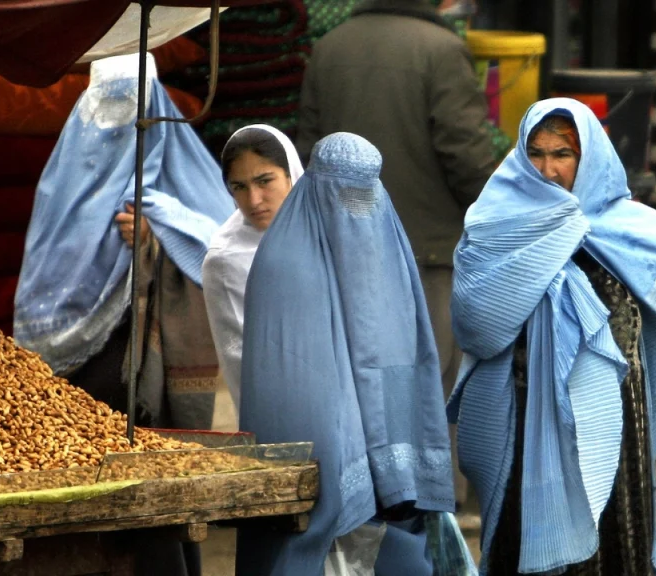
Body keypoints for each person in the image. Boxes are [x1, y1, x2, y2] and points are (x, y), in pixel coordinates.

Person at [449, 98, 656, 575]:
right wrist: (555, 242)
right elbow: (477, 321)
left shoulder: (627, 226)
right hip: (527, 414)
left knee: (615, 537)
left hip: (614, 418)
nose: (549, 169)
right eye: (536, 152)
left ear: (589, 157)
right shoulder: (496, 222)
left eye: (563, 154)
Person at [295, 0, 495, 508]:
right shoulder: (443, 50)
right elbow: (465, 153)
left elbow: (309, 150)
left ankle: (363, 504)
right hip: (427, 251)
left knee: (357, 386)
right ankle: (432, 510)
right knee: (430, 388)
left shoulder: (330, 47)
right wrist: (496, 215)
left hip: (342, 252)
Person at [238, 133, 456, 576]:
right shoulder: (285, 261)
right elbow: (302, 384)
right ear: (316, 186)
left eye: (364, 192)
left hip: (385, 474)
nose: (355, 207)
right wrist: (350, 460)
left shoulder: (386, 244)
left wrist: (394, 460)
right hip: (326, 454)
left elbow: (400, 359)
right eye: (344, 193)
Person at [14, 52, 234, 432]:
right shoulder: (62, 186)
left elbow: (229, 254)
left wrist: (161, 238)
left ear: (155, 108)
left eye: (130, 103)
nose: (118, 120)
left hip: (147, 364)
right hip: (73, 380)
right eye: (108, 104)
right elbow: (43, 268)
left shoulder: (189, 173)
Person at [201, 125, 304, 426]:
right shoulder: (225, 259)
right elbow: (245, 359)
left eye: (264, 181)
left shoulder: (325, 230)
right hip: (280, 410)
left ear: (291, 175)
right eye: (239, 187)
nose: (254, 200)